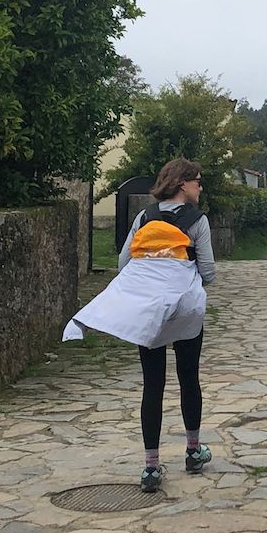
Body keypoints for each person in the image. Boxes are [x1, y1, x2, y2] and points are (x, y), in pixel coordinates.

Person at [63, 157, 216, 492]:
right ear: (182, 185)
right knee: (189, 377)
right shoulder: (197, 221)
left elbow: (124, 263)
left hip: (150, 311)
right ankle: (193, 451)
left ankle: (150, 466)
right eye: (197, 182)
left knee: (153, 384)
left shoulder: (144, 217)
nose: (200, 187)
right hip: (185, 309)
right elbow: (209, 272)